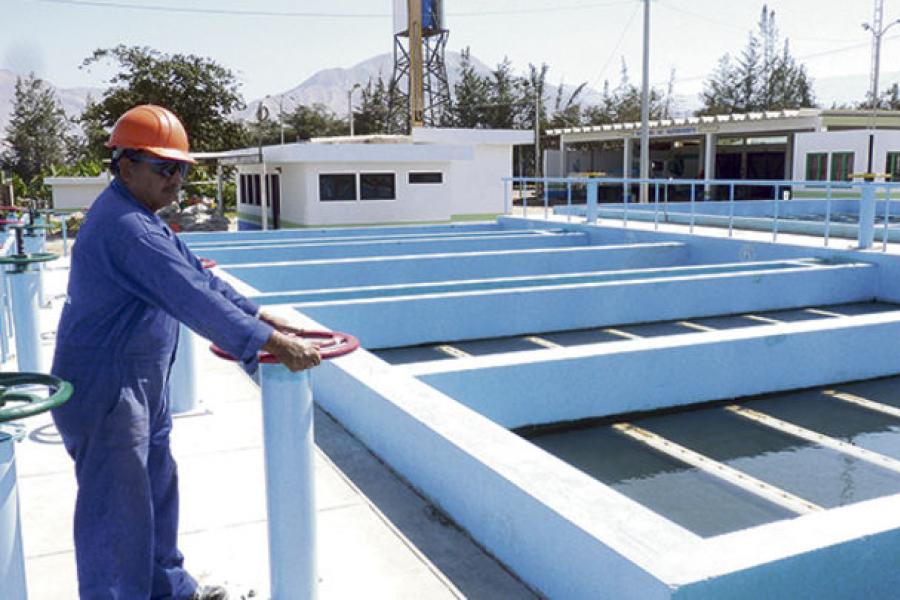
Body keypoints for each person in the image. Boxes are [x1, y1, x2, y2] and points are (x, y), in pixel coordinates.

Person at [50, 104, 320, 600]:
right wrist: (267, 342)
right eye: (164, 168)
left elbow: (201, 276)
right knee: (117, 516)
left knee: (155, 495)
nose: (176, 180)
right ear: (126, 166)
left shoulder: (141, 217)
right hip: (106, 389)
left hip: (137, 385)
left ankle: (167, 590)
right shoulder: (125, 228)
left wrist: (259, 316)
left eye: (181, 169)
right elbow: (191, 298)